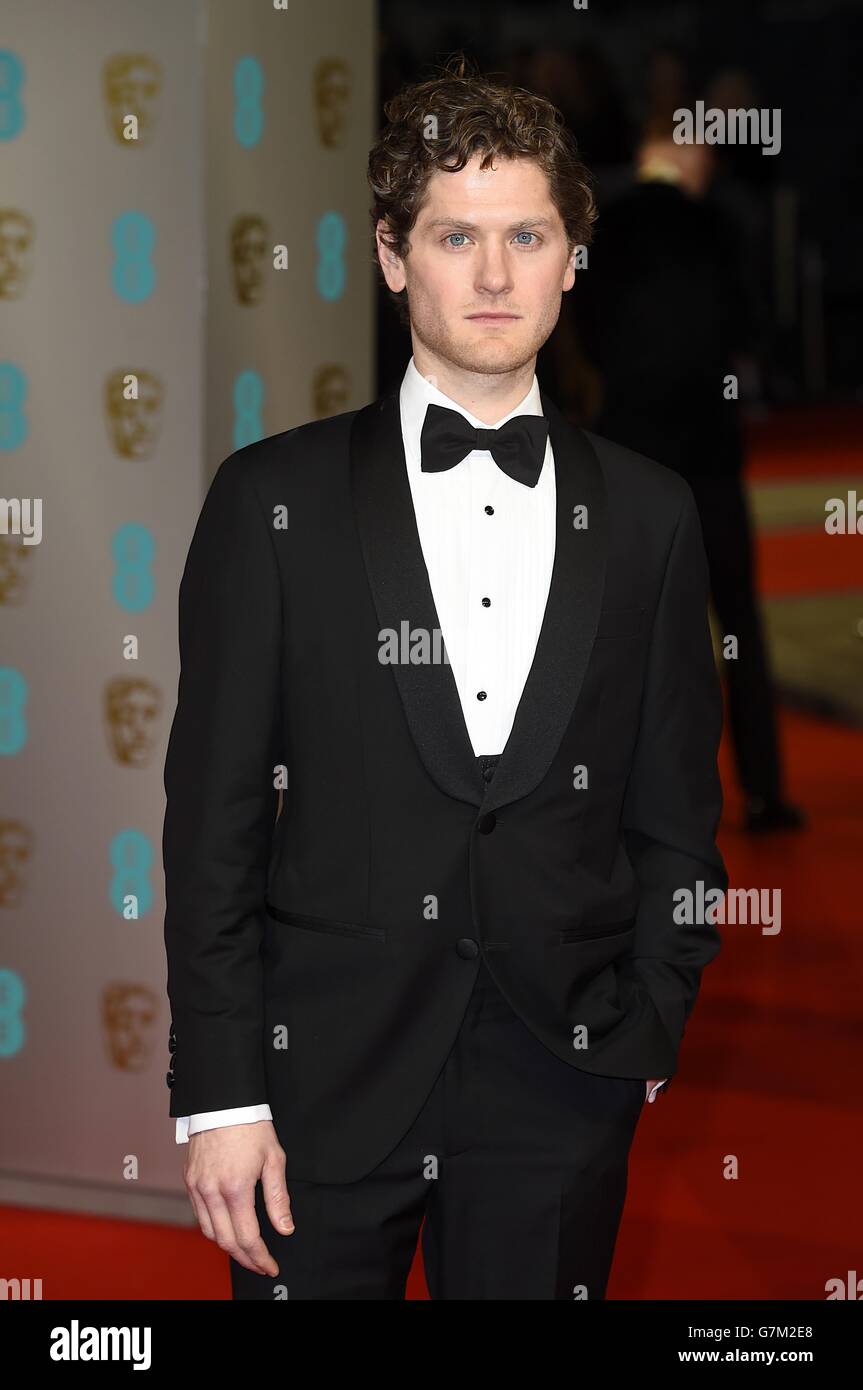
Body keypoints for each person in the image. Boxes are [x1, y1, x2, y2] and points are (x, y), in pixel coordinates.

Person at [163, 54, 727, 1301]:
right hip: (314, 1092)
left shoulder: (649, 516)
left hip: (555, 1084)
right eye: (451, 235)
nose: (490, 274)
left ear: (572, 254)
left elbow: (676, 819)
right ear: (388, 255)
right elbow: (211, 823)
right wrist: (219, 1088)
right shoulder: (272, 502)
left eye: (526, 233)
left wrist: (643, 1026)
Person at [575, 117, 804, 833]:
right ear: (688, 157)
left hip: (630, 452)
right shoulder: (716, 227)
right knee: (738, 621)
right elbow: (752, 322)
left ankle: (614, 799)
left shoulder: (604, 227)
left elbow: (581, 325)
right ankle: (762, 790)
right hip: (708, 451)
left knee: (623, 632)